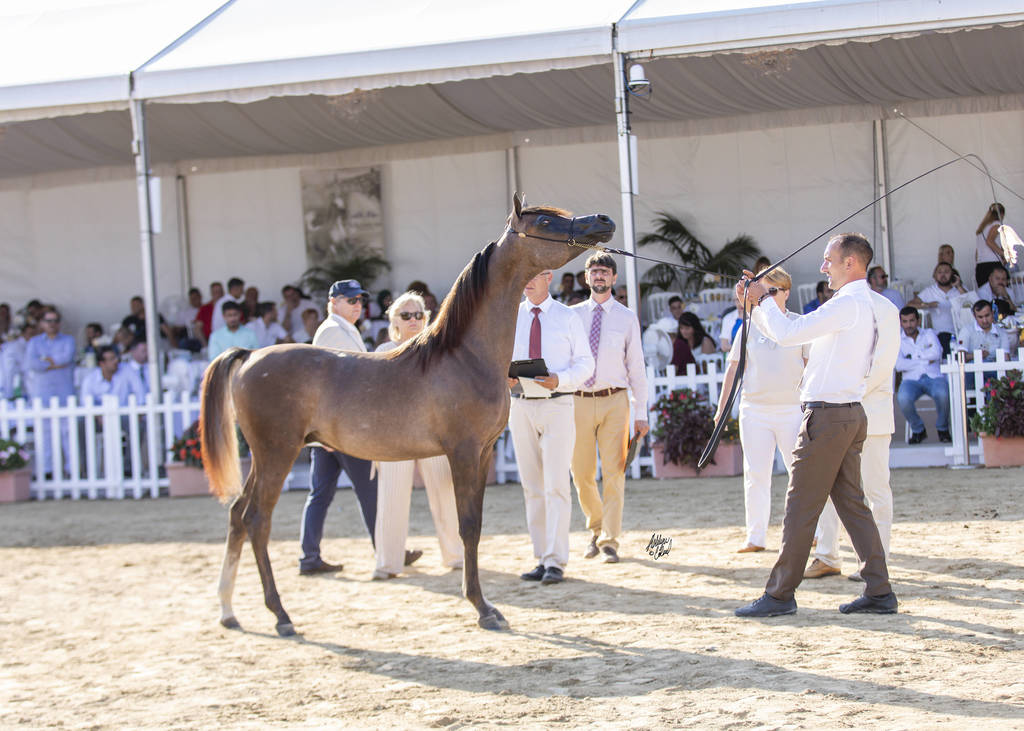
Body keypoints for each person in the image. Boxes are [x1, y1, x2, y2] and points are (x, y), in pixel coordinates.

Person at [733, 233, 897, 617]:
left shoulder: (848, 305)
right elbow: (790, 332)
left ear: (851, 264)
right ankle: (879, 590)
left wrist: (760, 300)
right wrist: (757, 303)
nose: (823, 267)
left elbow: (790, 334)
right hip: (845, 415)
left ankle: (779, 595)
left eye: (829, 260)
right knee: (852, 505)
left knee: (800, 506)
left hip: (829, 417)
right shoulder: (855, 304)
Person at [806, 286, 901, 580]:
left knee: (876, 489)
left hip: (867, 410)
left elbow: (883, 363)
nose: (824, 268)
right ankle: (827, 555)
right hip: (837, 411)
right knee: (828, 487)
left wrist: (847, 394)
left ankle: (877, 561)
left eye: (830, 261)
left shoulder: (885, 308)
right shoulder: (835, 304)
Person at [299, 280, 392, 575]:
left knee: (321, 494)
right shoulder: (332, 331)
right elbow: (333, 384)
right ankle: (387, 551)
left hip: (332, 428)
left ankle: (309, 556)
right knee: (369, 490)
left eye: (359, 300)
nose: (357, 305)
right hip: (343, 428)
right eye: (350, 300)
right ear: (333, 302)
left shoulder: (343, 330)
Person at [508, 270, 594, 585]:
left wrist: (561, 379)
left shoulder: (567, 317)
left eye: (534, 275)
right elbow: (498, 356)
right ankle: (541, 556)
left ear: (548, 276)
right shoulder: (511, 314)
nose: (527, 280)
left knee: (556, 483)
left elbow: (586, 364)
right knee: (531, 485)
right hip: (520, 405)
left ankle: (556, 561)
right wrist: (503, 375)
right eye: (524, 275)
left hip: (558, 403)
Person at [714, 266, 807, 554]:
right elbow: (733, 369)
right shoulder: (749, 325)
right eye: (763, 291)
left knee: (800, 475)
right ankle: (755, 537)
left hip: (792, 410)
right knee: (755, 474)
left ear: (786, 292)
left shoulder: (799, 324)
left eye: (773, 291)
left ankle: (807, 532)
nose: (766, 296)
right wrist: (721, 409)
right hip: (754, 409)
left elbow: (809, 368)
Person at [373, 291, 460, 579]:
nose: (413, 319)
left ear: (427, 318)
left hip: (433, 435)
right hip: (393, 436)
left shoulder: (440, 349)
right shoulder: (383, 350)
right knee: (391, 499)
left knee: (446, 495)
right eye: (406, 315)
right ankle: (387, 563)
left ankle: (456, 555)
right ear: (394, 321)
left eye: (418, 314)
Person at [570, 253, 649, 564]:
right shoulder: (571, 316)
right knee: (581, 473)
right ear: (587, 278)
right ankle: (597, 527)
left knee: (615, 471)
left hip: (616, 400)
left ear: (614, 278)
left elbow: (637, 368)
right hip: (577, 400)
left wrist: (641, 413)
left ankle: (610, 541)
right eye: (594, 272)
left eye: (604, 272)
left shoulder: (627, 318)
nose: (599, 276)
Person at [25, 307, 75, 476]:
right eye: (48, 321)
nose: (52, 324)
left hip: (64, 394)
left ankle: (71, 469)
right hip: (43, 395)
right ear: (41, 323)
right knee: (45, 436)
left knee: (68, 435)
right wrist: (53, 363)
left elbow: (66, 358)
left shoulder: (68, 340)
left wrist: (44, 361)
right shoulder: (34, 342)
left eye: (55, 321)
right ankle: (47, 470)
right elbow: (32, 364)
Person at [893, 306, 951, 444]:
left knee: (943, 394)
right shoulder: (897, 340)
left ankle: (943, 429)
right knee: (903, 398)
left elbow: (937, 353)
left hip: (934, 376)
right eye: (905, 321)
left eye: (912, 320)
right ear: (900, 323)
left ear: (918, 321)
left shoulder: (929, 333)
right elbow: (899, 365)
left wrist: (913, 359)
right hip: (911, 380)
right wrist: (924, 359)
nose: (909, 325)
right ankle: (918, 430)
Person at [908, 262, 970, 356]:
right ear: (935, 275)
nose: (943, 275)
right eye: (940, 272)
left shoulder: (960, 288)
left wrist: (958, 286)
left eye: (947, 272)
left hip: (961, 333)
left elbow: (972, 304)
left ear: (953, 274)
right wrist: (926, 304)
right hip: (938, 335)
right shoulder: (930, 291)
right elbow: (909, 305)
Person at [975, 202, 1006, 288]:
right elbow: (989, 241)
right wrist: (1004, 254)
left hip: (981, 265)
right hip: (993, 264)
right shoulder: (997, 225)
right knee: (1000, 293)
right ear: (1002, 214)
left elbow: (977, 251)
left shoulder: (981, 228)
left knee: (985, 295)